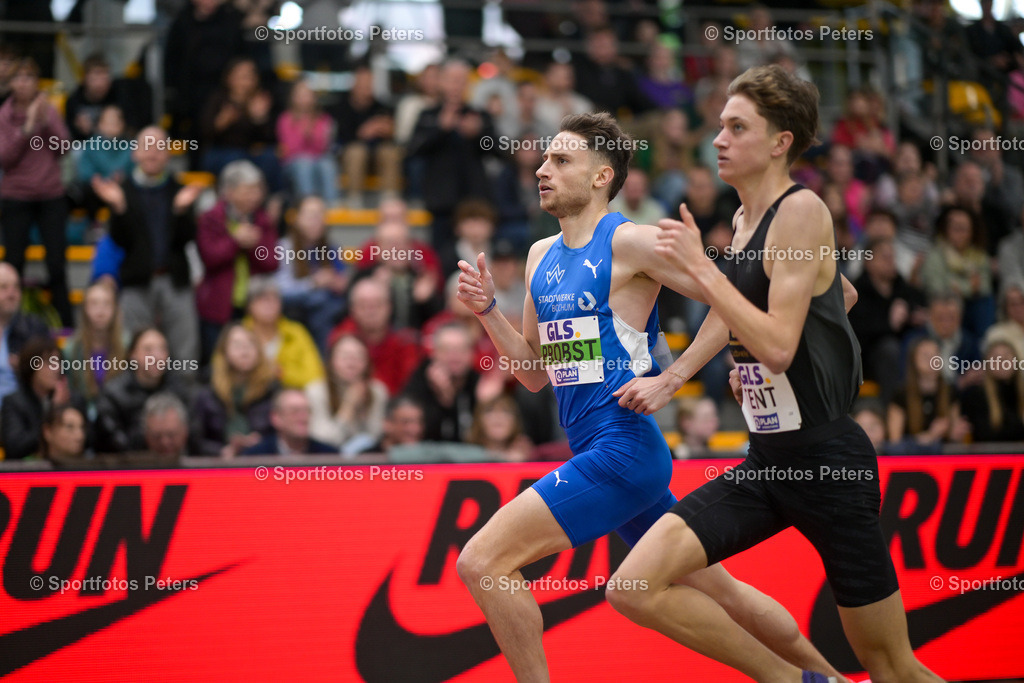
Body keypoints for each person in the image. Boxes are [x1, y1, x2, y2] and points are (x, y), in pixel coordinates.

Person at [454, 111, 847, 682]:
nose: (542, 169)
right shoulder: (541, 256)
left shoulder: (633, 242)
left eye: (561, 160)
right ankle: (826, 678)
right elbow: (535, 374)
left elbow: (733, 294)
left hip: (624, 449)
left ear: (600, 175)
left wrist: (674, 377)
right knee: (724, 592)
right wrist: (489, 311)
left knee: (483, 563)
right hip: (596, 449)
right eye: (543, 159)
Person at [606, 66, 942, 682]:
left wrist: (722, 296)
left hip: (830, 464)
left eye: (737, 127)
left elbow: (781, 345)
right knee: (631, 584)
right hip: (768, 463)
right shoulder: (742, 220)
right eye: (719, 126)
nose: (719, 140)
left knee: (893, 668)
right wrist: (692, 372)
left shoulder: (802, 210)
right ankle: (794, 679)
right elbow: (837, 293)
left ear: (781, 140)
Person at [92, 126, 204, 367]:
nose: (153, 153)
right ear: (135, 153)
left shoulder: (179, 190)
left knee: (185, 353)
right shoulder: (121, 192)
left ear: (168, 155)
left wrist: (181, 212)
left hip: (175, 280)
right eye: (147, 147)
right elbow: (121, 241)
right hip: (136, 282)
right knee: (135, 352)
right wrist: (120, 210)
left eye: (160, 147)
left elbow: (187, 239)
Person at [0, 58, 72, 327]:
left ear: (36, 82)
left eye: (29, 78)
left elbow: (63, 147)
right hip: (16, 196)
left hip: (50, 196)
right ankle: (9, 324)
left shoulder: (50, 112)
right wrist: (27, 128)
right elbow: (5, 158)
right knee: (13, 264)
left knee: (57, 264)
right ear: (11, 83)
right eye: (18, 78)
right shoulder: (4, 116)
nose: (24, 83)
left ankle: (65, 324)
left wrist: (46, 123)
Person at [196, 159, 279, 360]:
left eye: (258, 189)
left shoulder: (262, 220)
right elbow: (209, 257)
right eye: (248, 190)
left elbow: (272, 262)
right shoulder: (211, 218)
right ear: (229, 192)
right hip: (218, 305)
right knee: (217, 360)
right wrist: (235, 241)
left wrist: (253, 245)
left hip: (252, 306)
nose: (255, 196)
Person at [94, 328, 193, 454]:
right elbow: (110, 441)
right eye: (148, 349)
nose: (156, 356)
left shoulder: (180, 390)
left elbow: (193, 437)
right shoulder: (113, 394)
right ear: (133, 354)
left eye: (162, 349)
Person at [274, 194, 349, 352]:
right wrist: (313, 283)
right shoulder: (284, 247)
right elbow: (279, 290)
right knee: (320, 302)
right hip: (296, 312)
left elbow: (344, 279)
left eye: (320, 215)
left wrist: (339, 283)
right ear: (296, 218)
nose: (316, 221)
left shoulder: (330, 248)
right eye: (310, 215)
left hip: (328, 312)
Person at [191, 322, 278, 457]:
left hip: (263, 464)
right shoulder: (207, 392)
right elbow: (195, 439)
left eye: (250, 343)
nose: (245, 349)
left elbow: (283, 436)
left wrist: (262, 444)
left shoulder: (272, 390)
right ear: (224, 351)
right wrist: (221, 451)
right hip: (218, 467)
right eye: (237, 344)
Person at [308, 334, 388, 455]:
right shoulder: (316, 391)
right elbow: (324, 440)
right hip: (327, 462)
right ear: (331, 361)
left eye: (358, 357)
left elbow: (375, 437)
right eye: (344, 357)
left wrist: (362, 410)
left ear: (367, 363)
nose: (351, 364)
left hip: (367, 463)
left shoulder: (377, 391)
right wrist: (348, 407)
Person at [62, 278, 129, 419]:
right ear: (85, 308)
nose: (100, 310)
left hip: (120, 414)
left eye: (106, 304)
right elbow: (70, 393)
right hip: (83, 416)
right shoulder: (71, 349)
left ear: (115, 309)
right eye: (94, 303)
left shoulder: (127, 346)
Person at [0, 336, 73, 460]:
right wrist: (53, 412)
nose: (56, 369)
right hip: (24, 473)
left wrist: (62, 409)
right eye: (49, 362)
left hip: (68, 470)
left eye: (58, 362)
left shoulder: (72, 400)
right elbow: (15, 446)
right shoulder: (13, 403)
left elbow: (85, 441)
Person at [277, 80, 339, 205]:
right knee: (304, 163)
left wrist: (311, 136)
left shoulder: (324, 119)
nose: (304, 99)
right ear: (293, 97)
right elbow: (290, 149)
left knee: (327, 164)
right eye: (300, 95)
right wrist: (304, 136)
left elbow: (324, 147)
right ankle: (307, 205)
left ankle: (332, 205)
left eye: (307, 94)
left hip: (318, 160)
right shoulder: (285, 119)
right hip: (293, 163)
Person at [0, 263, 51, 410]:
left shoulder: (34, 328)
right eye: (4, 287)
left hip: (23, 411)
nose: (12, 294)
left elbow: (55, 371)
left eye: (16, 287)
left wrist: (26, 368)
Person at [960, 333, 1024, 444]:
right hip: (990, 459)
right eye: (996, 358)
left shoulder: (1020, 393)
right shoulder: (976, 395)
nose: (1002, 360)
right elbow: (986, 436)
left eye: (1007, 355)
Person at [242, 388, 335, 455]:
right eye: (295, 411)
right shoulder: (255, 457)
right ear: (276, 418)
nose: (303, 417)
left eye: (307, 410)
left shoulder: (329, 456)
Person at [143, 393, 192, 459]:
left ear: (185, 432)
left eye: (171, 435)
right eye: (157, 436)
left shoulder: (206, 460)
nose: (164, 442)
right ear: (146, 436)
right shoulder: (132, 466)